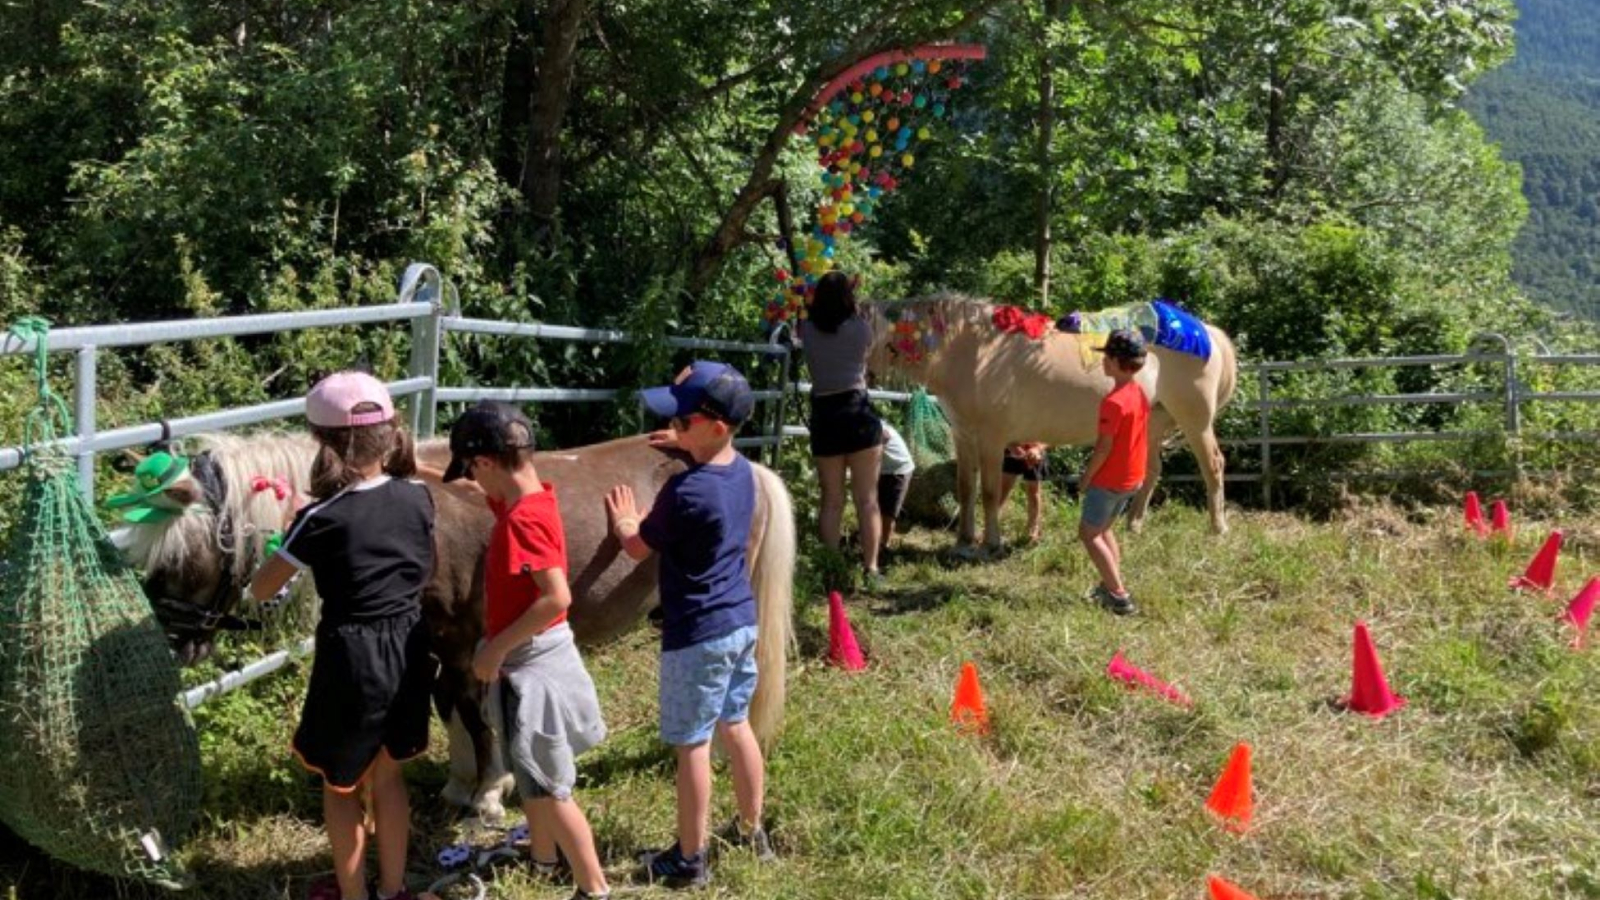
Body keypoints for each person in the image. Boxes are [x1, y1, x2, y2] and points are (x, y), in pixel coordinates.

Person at [248, 371, 438, 900]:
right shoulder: (419, 497)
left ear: (318, 441)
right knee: (390, 777)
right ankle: (393, 889)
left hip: (352, 657)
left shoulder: (320, 517)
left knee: (340, 785)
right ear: (389, 435)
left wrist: (289, 531)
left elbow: (263, 590)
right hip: (409, 644)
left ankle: (354, 895)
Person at [603, 361, 775, 888]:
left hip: (696, 635)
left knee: (693, 746)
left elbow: (636, 549)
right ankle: (752, 830)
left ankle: (689, 857)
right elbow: (711, 463)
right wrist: (685, 444)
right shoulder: (742, 471)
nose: (674, 428)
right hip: (740, 621)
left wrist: (625, 523)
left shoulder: (684, 494)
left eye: (682, 422)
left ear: (716, 426)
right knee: (737, 724)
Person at [438, 402, 610, 900]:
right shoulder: (529, 500)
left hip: (533, 662)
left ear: (487, 462)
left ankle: (593, 888)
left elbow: (557, 597)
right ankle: (543, 857)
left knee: (553, 788)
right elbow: (476, 491)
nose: (472, 478)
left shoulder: (521, 524)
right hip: (523, 660)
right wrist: (421, 472)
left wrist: (494, 649)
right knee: (529, 769)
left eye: (471, 468)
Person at [799, 271, 885, 585]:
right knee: (867, 499)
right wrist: (851, 293)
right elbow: (860, 314)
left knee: (831, 500)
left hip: (825, 414)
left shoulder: (806, 329)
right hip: (858, 412)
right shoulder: (862, 328)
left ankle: (831, 570)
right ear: (849, 298)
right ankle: (871, 569)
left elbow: (810, 312)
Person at [1078, 329, 1150, 616]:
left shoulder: (1113, 402)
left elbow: (1103, 447)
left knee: (1088, 533)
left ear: (1119, 362)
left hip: (1109, 479)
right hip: (1133, 477)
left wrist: (1087, 477)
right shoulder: (1139, 393)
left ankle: (1119, 596)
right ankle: (1111, 584)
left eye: (1107, 357)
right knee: (1104, 530)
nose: (1103, 362)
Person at [877, 421, 915, 559]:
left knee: (888, 511)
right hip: (882, 469)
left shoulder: (869, 421)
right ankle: (875, 540)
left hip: (899, 469)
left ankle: (884, 547)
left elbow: (884, 436)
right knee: (876, 506)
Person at [999, 442, 1049, 543]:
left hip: (1035, 453)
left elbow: (1049, 435)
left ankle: (1033, 530)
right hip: (1011, 451)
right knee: (1002, 490)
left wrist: (1037, 449)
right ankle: (990, 528)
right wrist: (1011, 447)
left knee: (1033, 492)